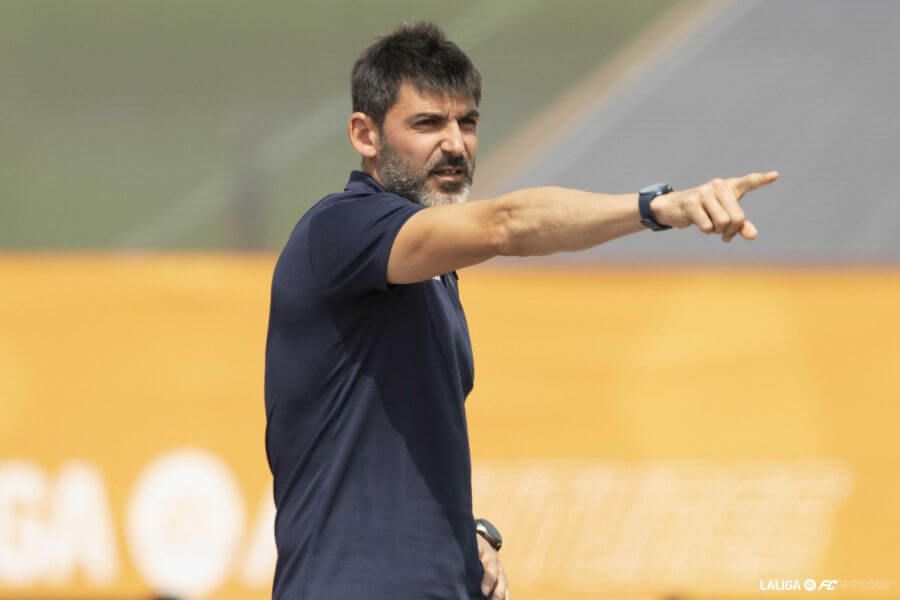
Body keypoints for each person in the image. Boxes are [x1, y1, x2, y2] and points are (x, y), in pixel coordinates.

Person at [263, 20, 778, 600]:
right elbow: (507, 224)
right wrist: (659, 207)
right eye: (428, 123)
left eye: (468, 122)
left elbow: (394, 463)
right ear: (365, 134)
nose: (455, 144)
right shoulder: (341, 229)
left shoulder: (433, 275)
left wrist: (466, 535)